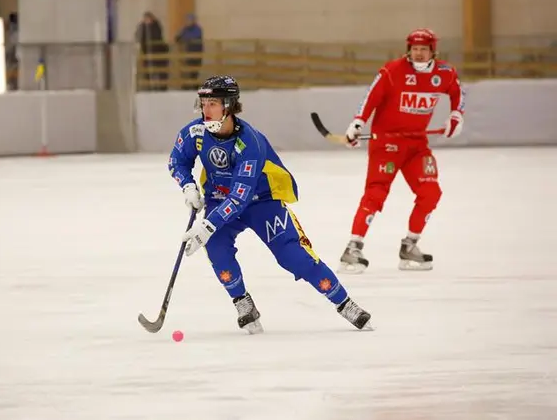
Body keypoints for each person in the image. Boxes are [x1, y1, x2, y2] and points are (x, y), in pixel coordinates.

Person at [168, 75, 372, 334]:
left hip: (262, 201)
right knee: (217, 249)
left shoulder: (249, 142)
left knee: (293, 256)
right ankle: (243, 304)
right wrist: (188, 186)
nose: (205, 110)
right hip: (219, 201)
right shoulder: (194, 132)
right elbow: (177, 161)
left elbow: (241, 196)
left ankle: (344, 302)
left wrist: (207, 225)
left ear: (229, 105)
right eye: (203, 103)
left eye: (213, 103)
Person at [339, 28, 465, 274]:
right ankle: (352, 248)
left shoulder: (445, 73)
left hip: (417, 145)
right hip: (386, 144)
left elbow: (457, 94)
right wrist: (357, 123)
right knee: (376, 193)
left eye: (423, 49)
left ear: (432, 51)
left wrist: (456, 115)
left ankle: (410, 245)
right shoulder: (393, 70)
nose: (418, 53)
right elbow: (371, 98)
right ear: (408, 49)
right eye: (415, 49)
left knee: (431, 192)